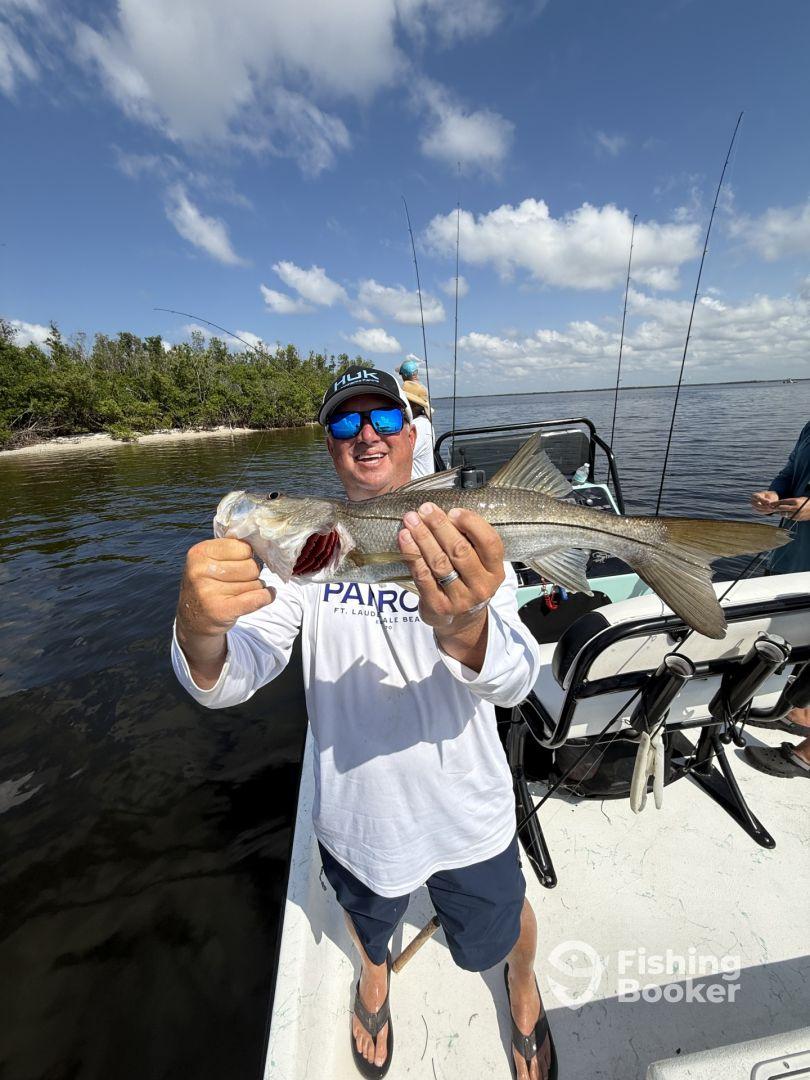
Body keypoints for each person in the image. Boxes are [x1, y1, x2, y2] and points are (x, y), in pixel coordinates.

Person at [171, 366, 555, 1080]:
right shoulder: (296, 567)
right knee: (367, 922)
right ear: (330, 449)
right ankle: (373, 978)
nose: (366, 433)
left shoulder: (462, 529)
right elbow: (234, 674)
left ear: (412, 436)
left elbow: (519, 679)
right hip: (359, 820)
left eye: (383, 418)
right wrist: (198, 630)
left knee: (503, 925)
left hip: (469, 811)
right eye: (346, 423)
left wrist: (468, 625)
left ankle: (523, 985)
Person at [746, 420, 810, 780]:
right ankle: (800, 712)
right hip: (793, 557)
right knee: (798, 639)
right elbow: (790, 471)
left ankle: (807, 757)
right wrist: (773, 495)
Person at [400, 378, 436, 478]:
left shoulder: (419, 426)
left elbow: (398, 458)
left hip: (418, 490)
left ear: (415, 406)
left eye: (404, 402)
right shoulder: (423, 422)